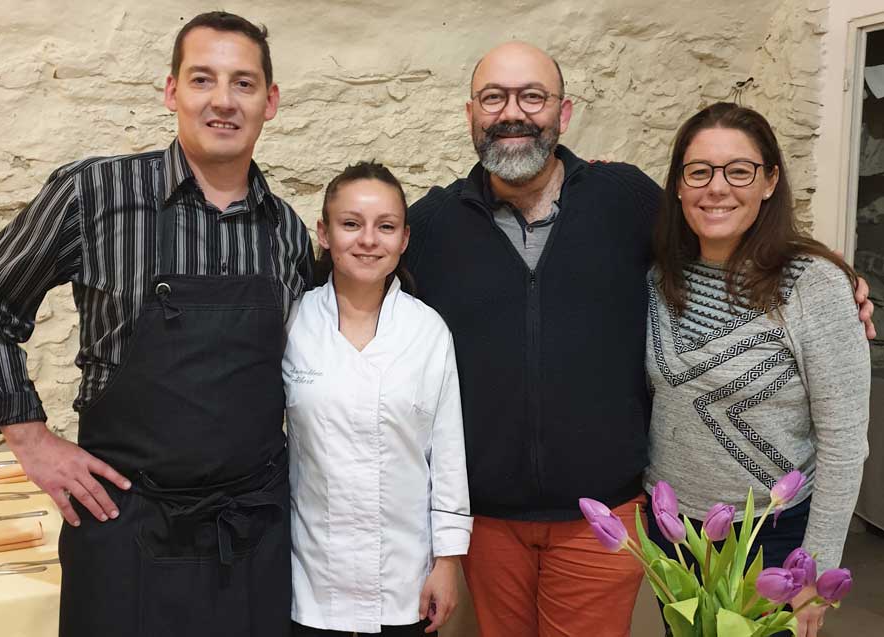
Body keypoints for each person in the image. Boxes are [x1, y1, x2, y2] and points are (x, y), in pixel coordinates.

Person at [404, 43, 876, 637]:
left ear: (564, 113)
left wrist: (841, 281)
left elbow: (730, 232)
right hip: (493, 518)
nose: (513, 112)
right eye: (494, 98)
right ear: (471, 113)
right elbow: (360, 279)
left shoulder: (621, 198)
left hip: (607, 512)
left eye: (533, 96)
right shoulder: (430, 226)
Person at [0, 11, 312, 637]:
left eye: (243, 83)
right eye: (203, 79)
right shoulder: (96, 194)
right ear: (172, 91)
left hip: (251, 538)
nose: (223, 101)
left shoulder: (288, 234)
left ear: (270, 102)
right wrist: (30, 437)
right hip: (123, 529)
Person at [644, 102, 870, 637]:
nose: (716, 187)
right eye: (698, 171)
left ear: (769, 181)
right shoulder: (658, 277)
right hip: (671, 531)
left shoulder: (813, 285)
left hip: (772, 536)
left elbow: (843, 443)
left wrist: (814, 567)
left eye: (738, 171)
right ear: (678, 185)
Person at [282, 162, 471, 636]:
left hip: (404, 577)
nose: (368, 240)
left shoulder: (427, 331)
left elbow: (447, 457)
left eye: (385, 227)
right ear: (324, 234)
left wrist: (447, 562)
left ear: (404, 238)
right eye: (351, 224)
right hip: (310, 576)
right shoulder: (293, 323)